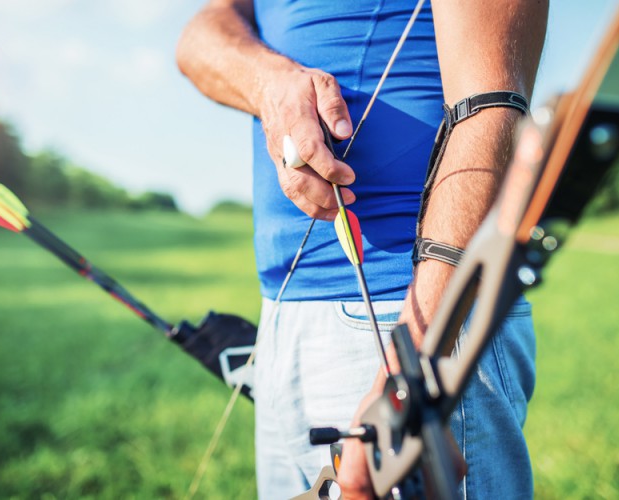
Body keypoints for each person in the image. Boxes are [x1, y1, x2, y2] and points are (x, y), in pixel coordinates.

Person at [177, 0, 548, 498]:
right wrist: (271, 83)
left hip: (415, 313)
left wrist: (406, 374)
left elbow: (494, 106)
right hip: (286, 311)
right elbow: (202, 35)